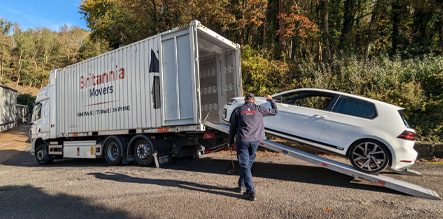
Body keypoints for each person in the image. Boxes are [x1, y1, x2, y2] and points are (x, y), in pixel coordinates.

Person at [228, 93, 278, 201]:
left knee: (245, 165)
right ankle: (241, 185)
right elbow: (275, 111)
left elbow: (232, 128)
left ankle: (251, 191)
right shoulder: (260, 109)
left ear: (245, 100)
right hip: (255, 140)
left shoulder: (239, 110)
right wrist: (271, 100)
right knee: (248, 164)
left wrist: (231, 141)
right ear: (254, 100)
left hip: (243, 141)